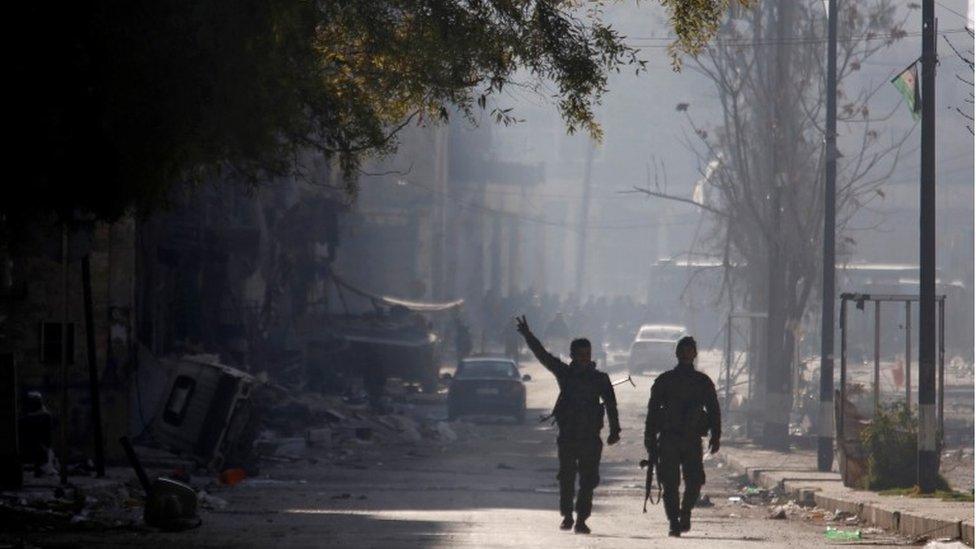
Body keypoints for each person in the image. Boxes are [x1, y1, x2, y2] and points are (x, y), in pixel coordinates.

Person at [515, 315, 620, 535]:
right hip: (569, 437)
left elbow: (611, 404)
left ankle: (582, 518)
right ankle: (567, 515)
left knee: (589, 480)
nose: (584, 359)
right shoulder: (565, 373)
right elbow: (543, 356)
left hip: (591, 438)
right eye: (580, 355)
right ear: (572, 356)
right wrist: (528, 335)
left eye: (587, 355)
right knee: (567, 478)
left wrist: (614, 431)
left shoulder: (600, 379)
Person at [644, 336, 721, 537]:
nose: (686, 354)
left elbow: (713, 409)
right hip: (669, 438)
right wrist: (649, 438)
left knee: (695, 481)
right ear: (677, 353)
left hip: (692, 439)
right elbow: (652, 411)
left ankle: (684, 512)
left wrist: (716, 435)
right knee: (670, 484)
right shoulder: (664, 380)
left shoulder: (702, 381)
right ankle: (673, 522)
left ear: (694, 354)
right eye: (683, 350)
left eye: (690, 350)